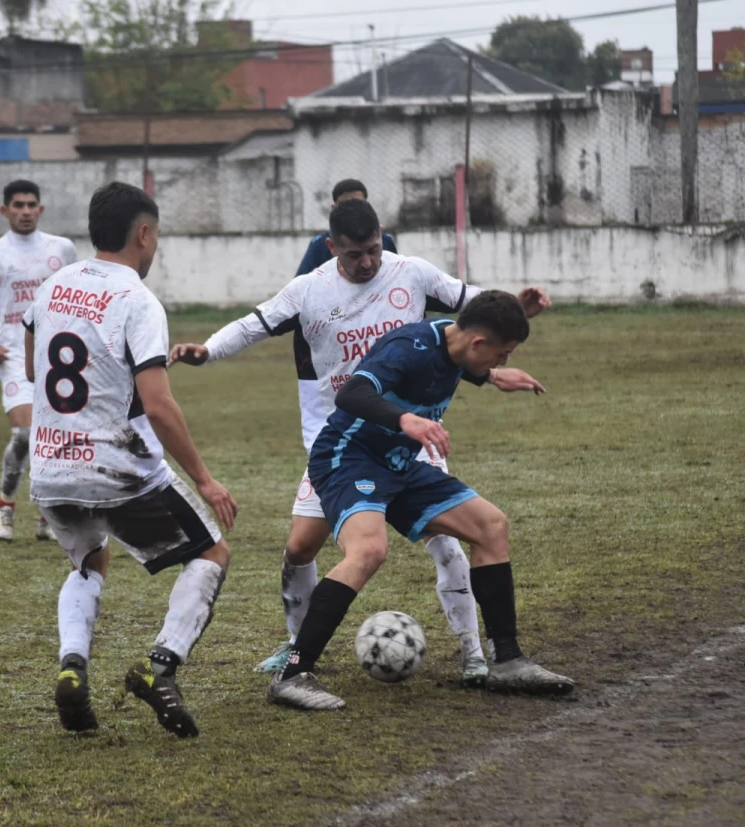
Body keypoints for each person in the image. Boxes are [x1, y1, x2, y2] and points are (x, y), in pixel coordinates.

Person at [169, 199, 549, 688]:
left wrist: (498, 354)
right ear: (333, 249)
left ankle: (488, 656)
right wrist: (207, 350)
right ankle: (296, 657)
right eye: (355, 255)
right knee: (306, 547)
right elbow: (259, 328)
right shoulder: (312, 291)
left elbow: (470, 318)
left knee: (476, 533)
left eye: (373, 250)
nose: (367, 262)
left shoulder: (413, 278)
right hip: (348, 443)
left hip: (404, 445)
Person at [268, 291, 575, 710]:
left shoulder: (455, 344)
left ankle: (508, 661)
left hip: (397, 464)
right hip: (349, 458)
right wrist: (405, 419)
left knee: (490, 526)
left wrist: (490, 377)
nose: (502, 361)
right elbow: (352, 394)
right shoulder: (408, 346)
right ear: (478, 344)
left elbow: (450, 364)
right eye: (501, 355)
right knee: (369, 551)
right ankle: (293, 675)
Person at [23, 182, 237, 739]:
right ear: (143, 233)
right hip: (117, 470)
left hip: (48, 469)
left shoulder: (50, 287)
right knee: (211, 551)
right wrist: (206, 480)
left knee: (88, 560)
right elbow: (161, 408)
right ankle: (158, 668)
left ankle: (72, 666)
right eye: (157, 235)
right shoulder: (137, 300)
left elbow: (31, 371)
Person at [0, 179, 78, 542]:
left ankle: (48, 515)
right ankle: (6, 506)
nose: (25, 211)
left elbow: (72, 298)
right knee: (26, 434)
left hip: (56, 356)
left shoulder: (62, 249)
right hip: (12, 354)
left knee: (55, 435)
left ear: (40, 209)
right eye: (18, 205)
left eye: (31, 205)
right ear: (5, 210)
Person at [292, 179, 397, 453]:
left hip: (370, 341)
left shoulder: (386, 244)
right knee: (321, 419)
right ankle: (321, 468)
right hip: (325, 345)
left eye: (359, 204)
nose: (365, 260)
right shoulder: (320, 246)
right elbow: (299, 298)